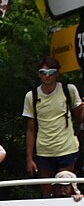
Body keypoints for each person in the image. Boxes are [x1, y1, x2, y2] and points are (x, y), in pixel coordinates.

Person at [22, 56, 84, 198]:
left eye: (51, 71)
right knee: (47, 195)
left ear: (57, 73)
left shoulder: (69, 90)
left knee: (66, 192)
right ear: (39, 74)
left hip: (67, 148)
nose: (47, 76)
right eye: (43, 72)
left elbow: (79, 117)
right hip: (44, 151)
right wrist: (29, 158)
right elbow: (31, 129)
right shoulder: (31, 96)